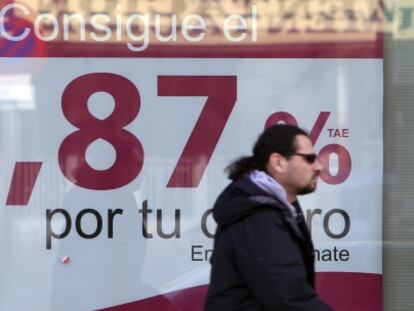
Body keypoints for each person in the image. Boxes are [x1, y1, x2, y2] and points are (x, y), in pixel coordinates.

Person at [204, 124, 333, 311]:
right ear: (278, 162)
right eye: (309, 159)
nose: (319, 167)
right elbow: (289, 299)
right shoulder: (259, 217)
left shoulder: (267, 209)